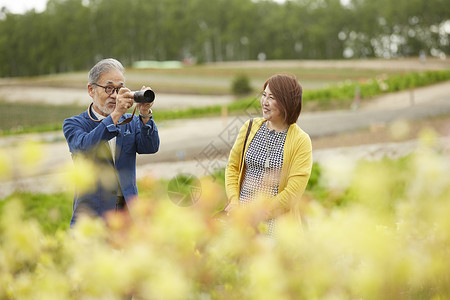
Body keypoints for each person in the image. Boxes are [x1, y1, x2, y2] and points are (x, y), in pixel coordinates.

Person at [63, 58, 160, 226]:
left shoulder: (130, 121)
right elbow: (86, 147)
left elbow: (150, 147)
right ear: (91, 90)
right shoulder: (74, 124)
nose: (115, 95)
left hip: (128, 217)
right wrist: (116, 114)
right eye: (108, 88)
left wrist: (145, 114)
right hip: (92, 220)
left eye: (119, 88)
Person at [225, 73, 312, 237]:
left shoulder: (301, 141)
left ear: (286, 102)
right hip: (241, 220)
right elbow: (233, 167)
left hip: (277, 225)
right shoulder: (250, 127)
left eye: (271, 97)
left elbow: (293, 192)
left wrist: (259, 213)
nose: (264, 102)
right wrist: (234, 202)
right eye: (264, 95)